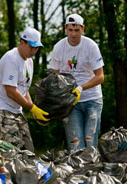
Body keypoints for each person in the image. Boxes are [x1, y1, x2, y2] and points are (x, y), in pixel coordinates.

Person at [0, 27, 49, 152]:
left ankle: (20, 170)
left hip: (15, 109)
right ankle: (3, 170)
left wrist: (33, 109)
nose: (34, 51)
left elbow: (23, 89)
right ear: (22, 42)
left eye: (36, 47)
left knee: (28, 149)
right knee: (12, 149)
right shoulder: (11, 59)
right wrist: (32, 108)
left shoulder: (29, 62)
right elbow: (11, 91)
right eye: (31, 46)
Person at [50, 13, 104, 151]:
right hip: (70, 102)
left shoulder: (90, 46)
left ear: (82, 28)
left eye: (77, 30)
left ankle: (92, 171)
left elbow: (100, 77)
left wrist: (81, 88)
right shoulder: (59, 47)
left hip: (92, 99)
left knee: (90, 141)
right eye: (70, 30)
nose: (73, 34)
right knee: (75, 144)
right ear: (65, 29)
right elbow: (54, 76)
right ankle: (78, 171)